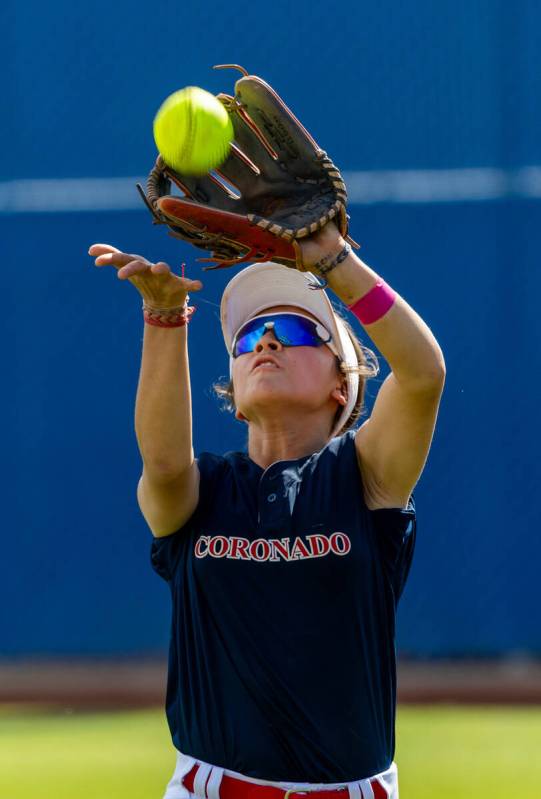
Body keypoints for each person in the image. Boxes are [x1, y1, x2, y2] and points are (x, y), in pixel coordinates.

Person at [89, 221, 445, 799]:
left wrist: (333, 261)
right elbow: (162, 464)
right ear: (233, 394)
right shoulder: (203, 490)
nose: (265, 342)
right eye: (250, 337)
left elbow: (424, 374)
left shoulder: (363, 477)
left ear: (342, 384)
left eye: (293, 329)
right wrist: (163, 320)